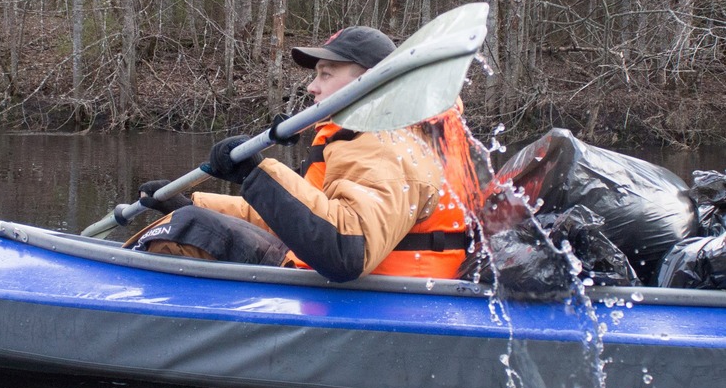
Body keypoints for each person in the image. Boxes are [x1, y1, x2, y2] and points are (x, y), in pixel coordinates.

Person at [124, 25, 480, 282]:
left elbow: (344, 250)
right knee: (192, 218)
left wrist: (256, 174)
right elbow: (306, 217)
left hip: (389, 300)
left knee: (192, 231)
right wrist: (191, 202)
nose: (312, 86)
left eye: (326, 74)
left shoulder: (387, 143)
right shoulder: (374, 137)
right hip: (358, 283)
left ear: (370, 80)